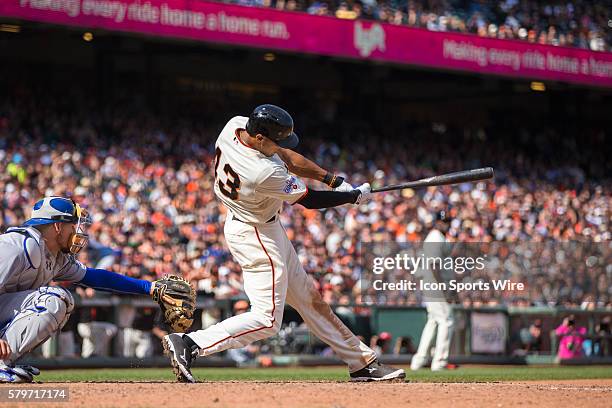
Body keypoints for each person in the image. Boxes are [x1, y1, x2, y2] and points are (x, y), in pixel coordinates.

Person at [163, 104, 405, 383]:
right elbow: (310, 201)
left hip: (258, 225)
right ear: (260, 138)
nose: (280, 145)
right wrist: (351, 198)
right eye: (275, 140)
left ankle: (361, 362)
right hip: (255, 235)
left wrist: (333, 180)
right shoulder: (261, 172)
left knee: (310, 301)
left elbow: (286, 155)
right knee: (267, 320)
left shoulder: (236, 125)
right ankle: (191, 343)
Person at [0, 197, 177, 382]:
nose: (77, 231)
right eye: (73, 225)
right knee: (54, 298)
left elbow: (96, 277)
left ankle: (5, 363)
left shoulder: (54, 256)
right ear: (57, 227)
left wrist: (150, 287)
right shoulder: (16, 246)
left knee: (62, 300)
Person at [410, 210, 455, 371]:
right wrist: (443, 287)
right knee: (447, 320)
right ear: (437, 222)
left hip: (432, 283)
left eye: (448, 221)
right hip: (435, 284)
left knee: (434, 321)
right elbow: (434, 265)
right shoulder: (436, 236)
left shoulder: (438, 236)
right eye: (444, 221)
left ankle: (419, 360)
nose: (446, 224)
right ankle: (440, 362)